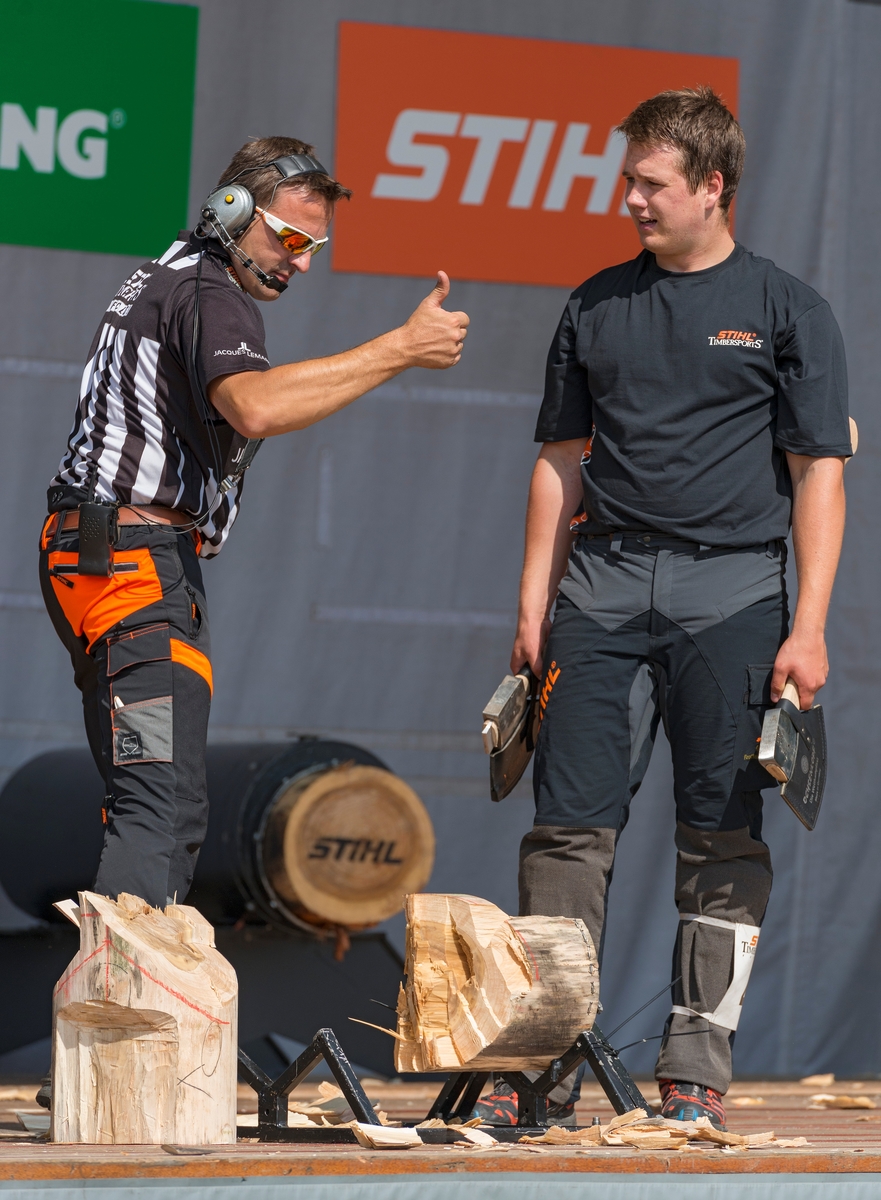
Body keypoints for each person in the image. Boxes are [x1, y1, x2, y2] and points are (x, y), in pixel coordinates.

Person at [486, 88, 850, 1130]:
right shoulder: (594, 303)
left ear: (709, 187)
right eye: (628, 180)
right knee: (563, 835)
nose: (629, 200)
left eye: (649, 183)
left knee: (722, 836)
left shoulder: (788, 310)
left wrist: (808, 624)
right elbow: (559, 462)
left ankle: (694, 1067)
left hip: (732, 588)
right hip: (598, 589)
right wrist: (529, 605)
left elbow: (817, 475)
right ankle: (537, 1062)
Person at [39, 136, 469, 912]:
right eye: (292, 239)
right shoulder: (211, 290)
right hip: (134, 569)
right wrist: (400, 348)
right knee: (162, 804)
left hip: (103, 561)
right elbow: (257, 404)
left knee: (150, 792)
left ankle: (121, 993)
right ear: (231, 213)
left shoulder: (170, 275)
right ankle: (125, 1011)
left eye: (315, 247)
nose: (301, 263)